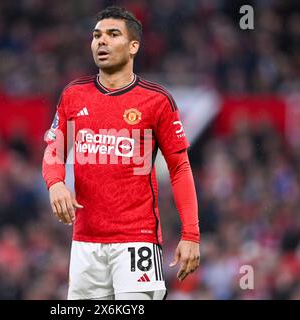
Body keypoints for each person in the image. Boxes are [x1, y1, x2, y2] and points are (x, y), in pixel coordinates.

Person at [42, 6, 200, 300]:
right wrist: (56, 183)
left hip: (136, 241)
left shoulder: (157, 101)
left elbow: (180, 168)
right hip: (84, 243)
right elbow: (54, 151)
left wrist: (191, 234)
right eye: (96, 35)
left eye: (113, 34)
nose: (101, 41)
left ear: (133, 46)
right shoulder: (74, 96)